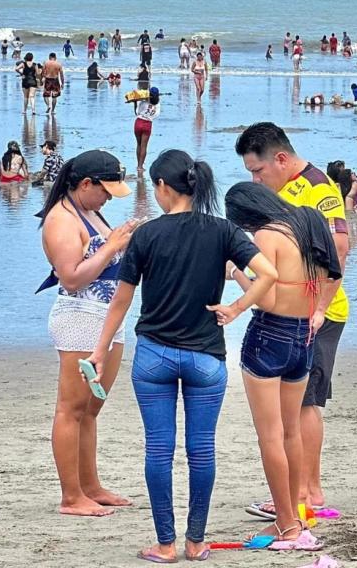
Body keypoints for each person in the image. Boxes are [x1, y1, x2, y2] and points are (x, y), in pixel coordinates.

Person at [88, 150, 277, 561]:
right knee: (201, 450)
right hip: (206, 359)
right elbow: (270, 275)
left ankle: (165, 544)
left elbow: (121, 301)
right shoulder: (223, 230)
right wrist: (237, 309)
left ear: (161, 186)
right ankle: (195, 543)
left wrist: (100, 351)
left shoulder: (147, 234)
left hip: (154, 355)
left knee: (158, 450)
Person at [235, 123, 350, 515]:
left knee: (305, 404)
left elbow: (338, 247)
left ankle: (306, 491)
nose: (256, 179)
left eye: (258, 171)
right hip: (294, 312)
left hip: (317, 314)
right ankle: (297, 488)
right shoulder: (283, 191)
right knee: (297, 406)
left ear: (281, 159)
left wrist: (318, 308)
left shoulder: (317, 187)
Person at [223, 182, 341, 547]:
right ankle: (295, 517)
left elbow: (268, 300)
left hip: (269, 336)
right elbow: (335, 273)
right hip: (304, 336)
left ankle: (286, 525)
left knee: (270, 435)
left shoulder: (265, 235)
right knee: (291, 431)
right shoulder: (309, 221)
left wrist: (237, 275)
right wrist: (319, 309)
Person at [37, 150, 135, 516]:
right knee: (71, 408)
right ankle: (71, 496)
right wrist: (112, 245)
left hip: (108, 317)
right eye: (106, 190)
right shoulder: (61, 220)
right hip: (80, 318)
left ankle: (90, 485)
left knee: (91, 409)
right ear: (85, 184)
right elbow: (72, 277)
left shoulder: (90, 210)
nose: (109, 197)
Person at [133, 86, 161, 173]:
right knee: (144, 146)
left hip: (138, 122)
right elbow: (156, 115)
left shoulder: (143, 102)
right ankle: (140, 166)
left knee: (138, 144)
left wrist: (135, 103)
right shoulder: (157, 104)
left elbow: (136, 112)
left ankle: (138, 164)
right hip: (148, 124)